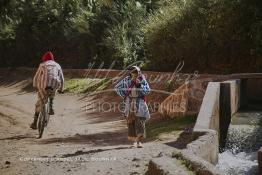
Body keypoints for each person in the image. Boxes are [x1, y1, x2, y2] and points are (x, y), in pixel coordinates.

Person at [115, 66, 150, 148]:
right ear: (130, 73)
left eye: (137, 72)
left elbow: (147, 90)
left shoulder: (142, 80)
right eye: (134, 72)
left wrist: (139, 85)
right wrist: (125, 94)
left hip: (140, 103)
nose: (136, 74)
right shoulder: (126, 80)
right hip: (129, 102)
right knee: (131, 122)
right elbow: (117, 88)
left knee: (140, 121)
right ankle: (134, 141)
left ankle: (139, 141)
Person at [30, 51, 64, 130]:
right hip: (55, 84)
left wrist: (35, 85)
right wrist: (61, 89)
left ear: (44, 59)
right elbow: (61, 78)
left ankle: (35, 123)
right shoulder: (57, 65)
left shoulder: (42, 65)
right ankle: (51, 105)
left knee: (39, 103)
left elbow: (37, 76)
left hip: (43, 85)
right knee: (54, 89)